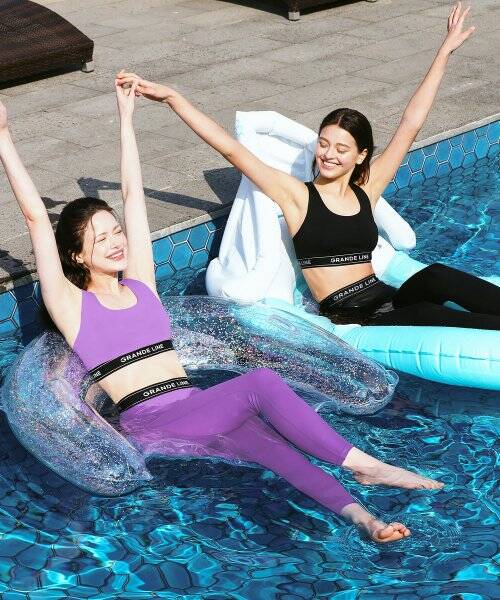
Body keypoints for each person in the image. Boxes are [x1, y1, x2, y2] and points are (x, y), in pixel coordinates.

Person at [0, 79, 443, 546]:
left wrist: (127, 119)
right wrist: (5, 137)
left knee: (277, 450)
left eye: (116, 232)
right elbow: (35, 218)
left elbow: (132, 196)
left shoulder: (141, 284)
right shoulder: (72, 306)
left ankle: (365, 519)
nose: (116, 242)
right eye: (101, 239)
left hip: (192, 405)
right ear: (76, 255)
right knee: (261, 383)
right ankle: (364, 464)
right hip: (151, 421)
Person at [116, 2, 500, 330]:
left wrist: (444, 51)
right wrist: (174, 99)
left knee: (436, 275)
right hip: (350, 311)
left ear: (360, 155)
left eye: (341, 149)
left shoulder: (367, 190)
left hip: (383, 294)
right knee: (427, 314)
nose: (328, 154)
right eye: (324, 143)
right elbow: (231, 150)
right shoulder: (297, 197)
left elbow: (410, 125)